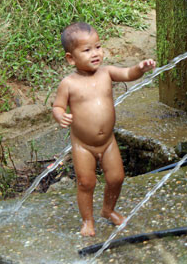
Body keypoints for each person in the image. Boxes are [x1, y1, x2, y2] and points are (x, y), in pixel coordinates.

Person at [52, 22, 156, 236]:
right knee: (86, 182)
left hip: (108, 142)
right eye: (87, 50)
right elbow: (58, 106)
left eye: (98, 47)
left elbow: (128, 73)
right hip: (83, 145)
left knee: (116, 177)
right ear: (71, 58)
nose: (95, 53)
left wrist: (140, 68)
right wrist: (60, 115)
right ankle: (87, 221)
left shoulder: (107, 73)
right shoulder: (69, 84)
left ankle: (108, 210)